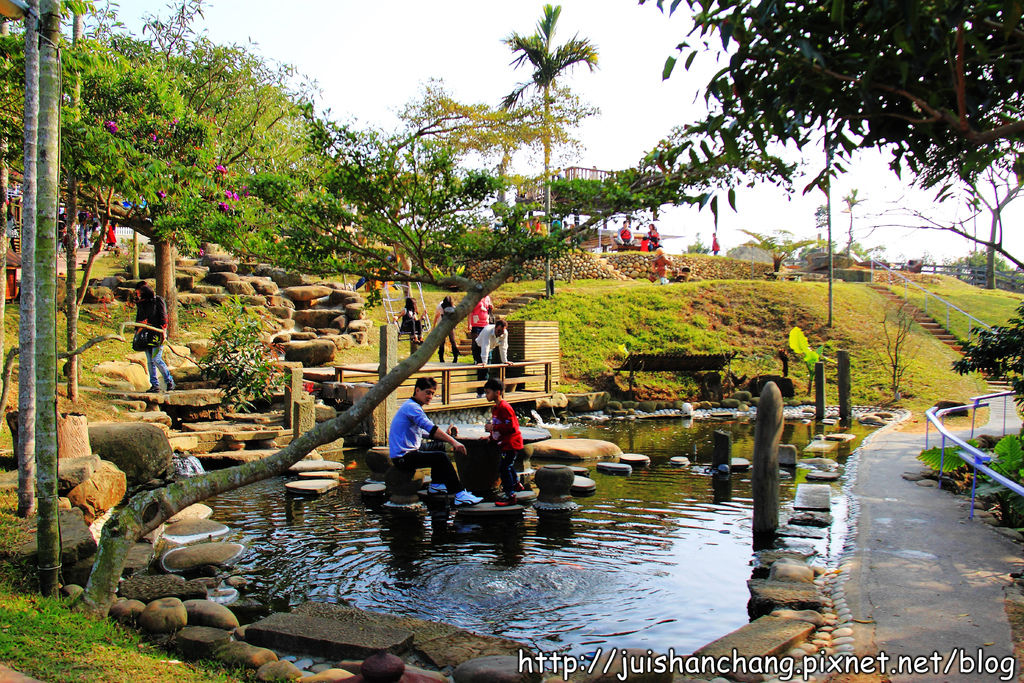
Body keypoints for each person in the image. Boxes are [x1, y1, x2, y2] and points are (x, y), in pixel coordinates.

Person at [389, 377, 483, 507]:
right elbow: (431, 428)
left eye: (432, 393)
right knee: (441, 457)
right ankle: (459, 494)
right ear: (417, 390)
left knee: (438, 446)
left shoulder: (412, 405)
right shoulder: (412, 407)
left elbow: (422, 432)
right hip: (402, 458)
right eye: (427, 392)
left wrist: (445, 434)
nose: (430, 396)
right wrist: (454, 442)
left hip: (409, 452)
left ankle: (436, 485)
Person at [483, 378, 524, 506]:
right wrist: (491, 436)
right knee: (507, 465)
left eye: (488, 392)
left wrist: (493, 428)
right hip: (504, 444)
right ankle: (516, 484)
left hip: (512, 443)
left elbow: (512, 427)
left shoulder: (505, 407)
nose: (486, 395)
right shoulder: (495, 408)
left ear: (498, 392)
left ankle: (510, 495)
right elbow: (497, 426)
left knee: (504, 467)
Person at [134, 283, 175, 393]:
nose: (137, 295)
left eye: (138, 293)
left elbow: (163, 317)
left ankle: (169, 381)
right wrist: (138, 328)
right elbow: (138, 318)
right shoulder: (141, 303)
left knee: (156, 359)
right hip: (145, 335)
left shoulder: (157, 300)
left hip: (157, 335)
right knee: (150, 362)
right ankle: (154, 385)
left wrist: (163, 331)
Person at [474, 319, 509, 395]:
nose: (500, 334)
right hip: (479, 347)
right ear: (495, 327)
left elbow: (503, 347)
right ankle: (480, 393)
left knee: (487, 370)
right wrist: (484, 362)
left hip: (490, 348)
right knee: (483, 370)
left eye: (502, 331)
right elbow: (485, 346)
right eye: (499, 331)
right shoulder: (488, 331)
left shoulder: (504, 333)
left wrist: (505, 360)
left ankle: (485, 392)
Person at [432, 295, 459, 363]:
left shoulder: (453, 307)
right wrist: (433, 326)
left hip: (450, 325)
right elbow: (436, 316)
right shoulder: (439, 307)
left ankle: (455, 356)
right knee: (442, 342)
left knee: (452, 340)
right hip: (441, 325)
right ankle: (441, 357)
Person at [468, 294, 492, 365]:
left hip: (485, 323)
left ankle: (483, 359)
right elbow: (470, 311)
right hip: (476, 323)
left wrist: (491, 307)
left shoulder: (487, 298)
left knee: (485, 342)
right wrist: (469, 324)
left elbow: (488, 308)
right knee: (476, 342)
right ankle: (476, 358)